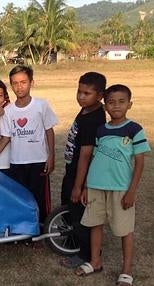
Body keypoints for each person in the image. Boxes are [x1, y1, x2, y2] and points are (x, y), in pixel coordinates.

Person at [75, 84, 150, 286]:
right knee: (95, 224)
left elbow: (140, 163)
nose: (116, 106)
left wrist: (131, 191)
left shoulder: (134, 129)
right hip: (96, 186)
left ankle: (126, 270)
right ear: (105, 106)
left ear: (129, 104)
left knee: (124, 229)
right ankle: (95, 261)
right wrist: (85, 187)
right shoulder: (101, 130)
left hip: (120, 189)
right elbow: (95, 158)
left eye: (121, 101)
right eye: (111, 102)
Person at [0, 65, 58, 223]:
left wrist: (51, 156)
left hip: (38, 161)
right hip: (16, 162)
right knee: (21, 197)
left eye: (23, 82)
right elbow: (5, 138)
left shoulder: (41, 105)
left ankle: (41, 230)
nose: (19, 86)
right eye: (15, 83)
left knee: (39, 198)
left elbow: (49, 131)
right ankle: (25, 230)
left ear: (31, 82)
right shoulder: (8, 111)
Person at [59, 72, 107, 269]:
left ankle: (85, 254)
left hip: (81, 176)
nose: (81, 96)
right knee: (68, 208)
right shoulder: (86, 110)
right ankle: (72, 241)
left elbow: (86, 155)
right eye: (79, 91)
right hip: (71, 171)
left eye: (87, 93)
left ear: (100, 95)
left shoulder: (94, 119)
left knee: (79, 214)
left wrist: (79, 186)